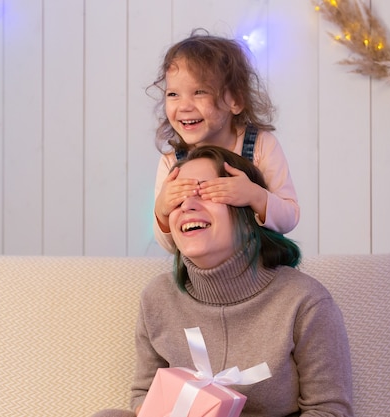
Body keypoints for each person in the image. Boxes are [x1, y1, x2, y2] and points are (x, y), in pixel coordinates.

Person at [92, 146, 353, 417]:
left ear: (249, 215)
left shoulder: (304, 301)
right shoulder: (157, 298)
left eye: (207, 193)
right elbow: (143, 392)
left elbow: (329, 410)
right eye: (177, 199)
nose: (188, 205)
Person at [150, 29, 300, 253]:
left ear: (236, 100)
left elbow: (290, 217)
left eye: (199, 92)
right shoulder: (172, 162)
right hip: (204, 276)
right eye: (173, 94)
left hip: (255, 271)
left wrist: (254, 195)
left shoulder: (260, 146)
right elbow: (171, 248)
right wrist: (162, 210)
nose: (184, 106)